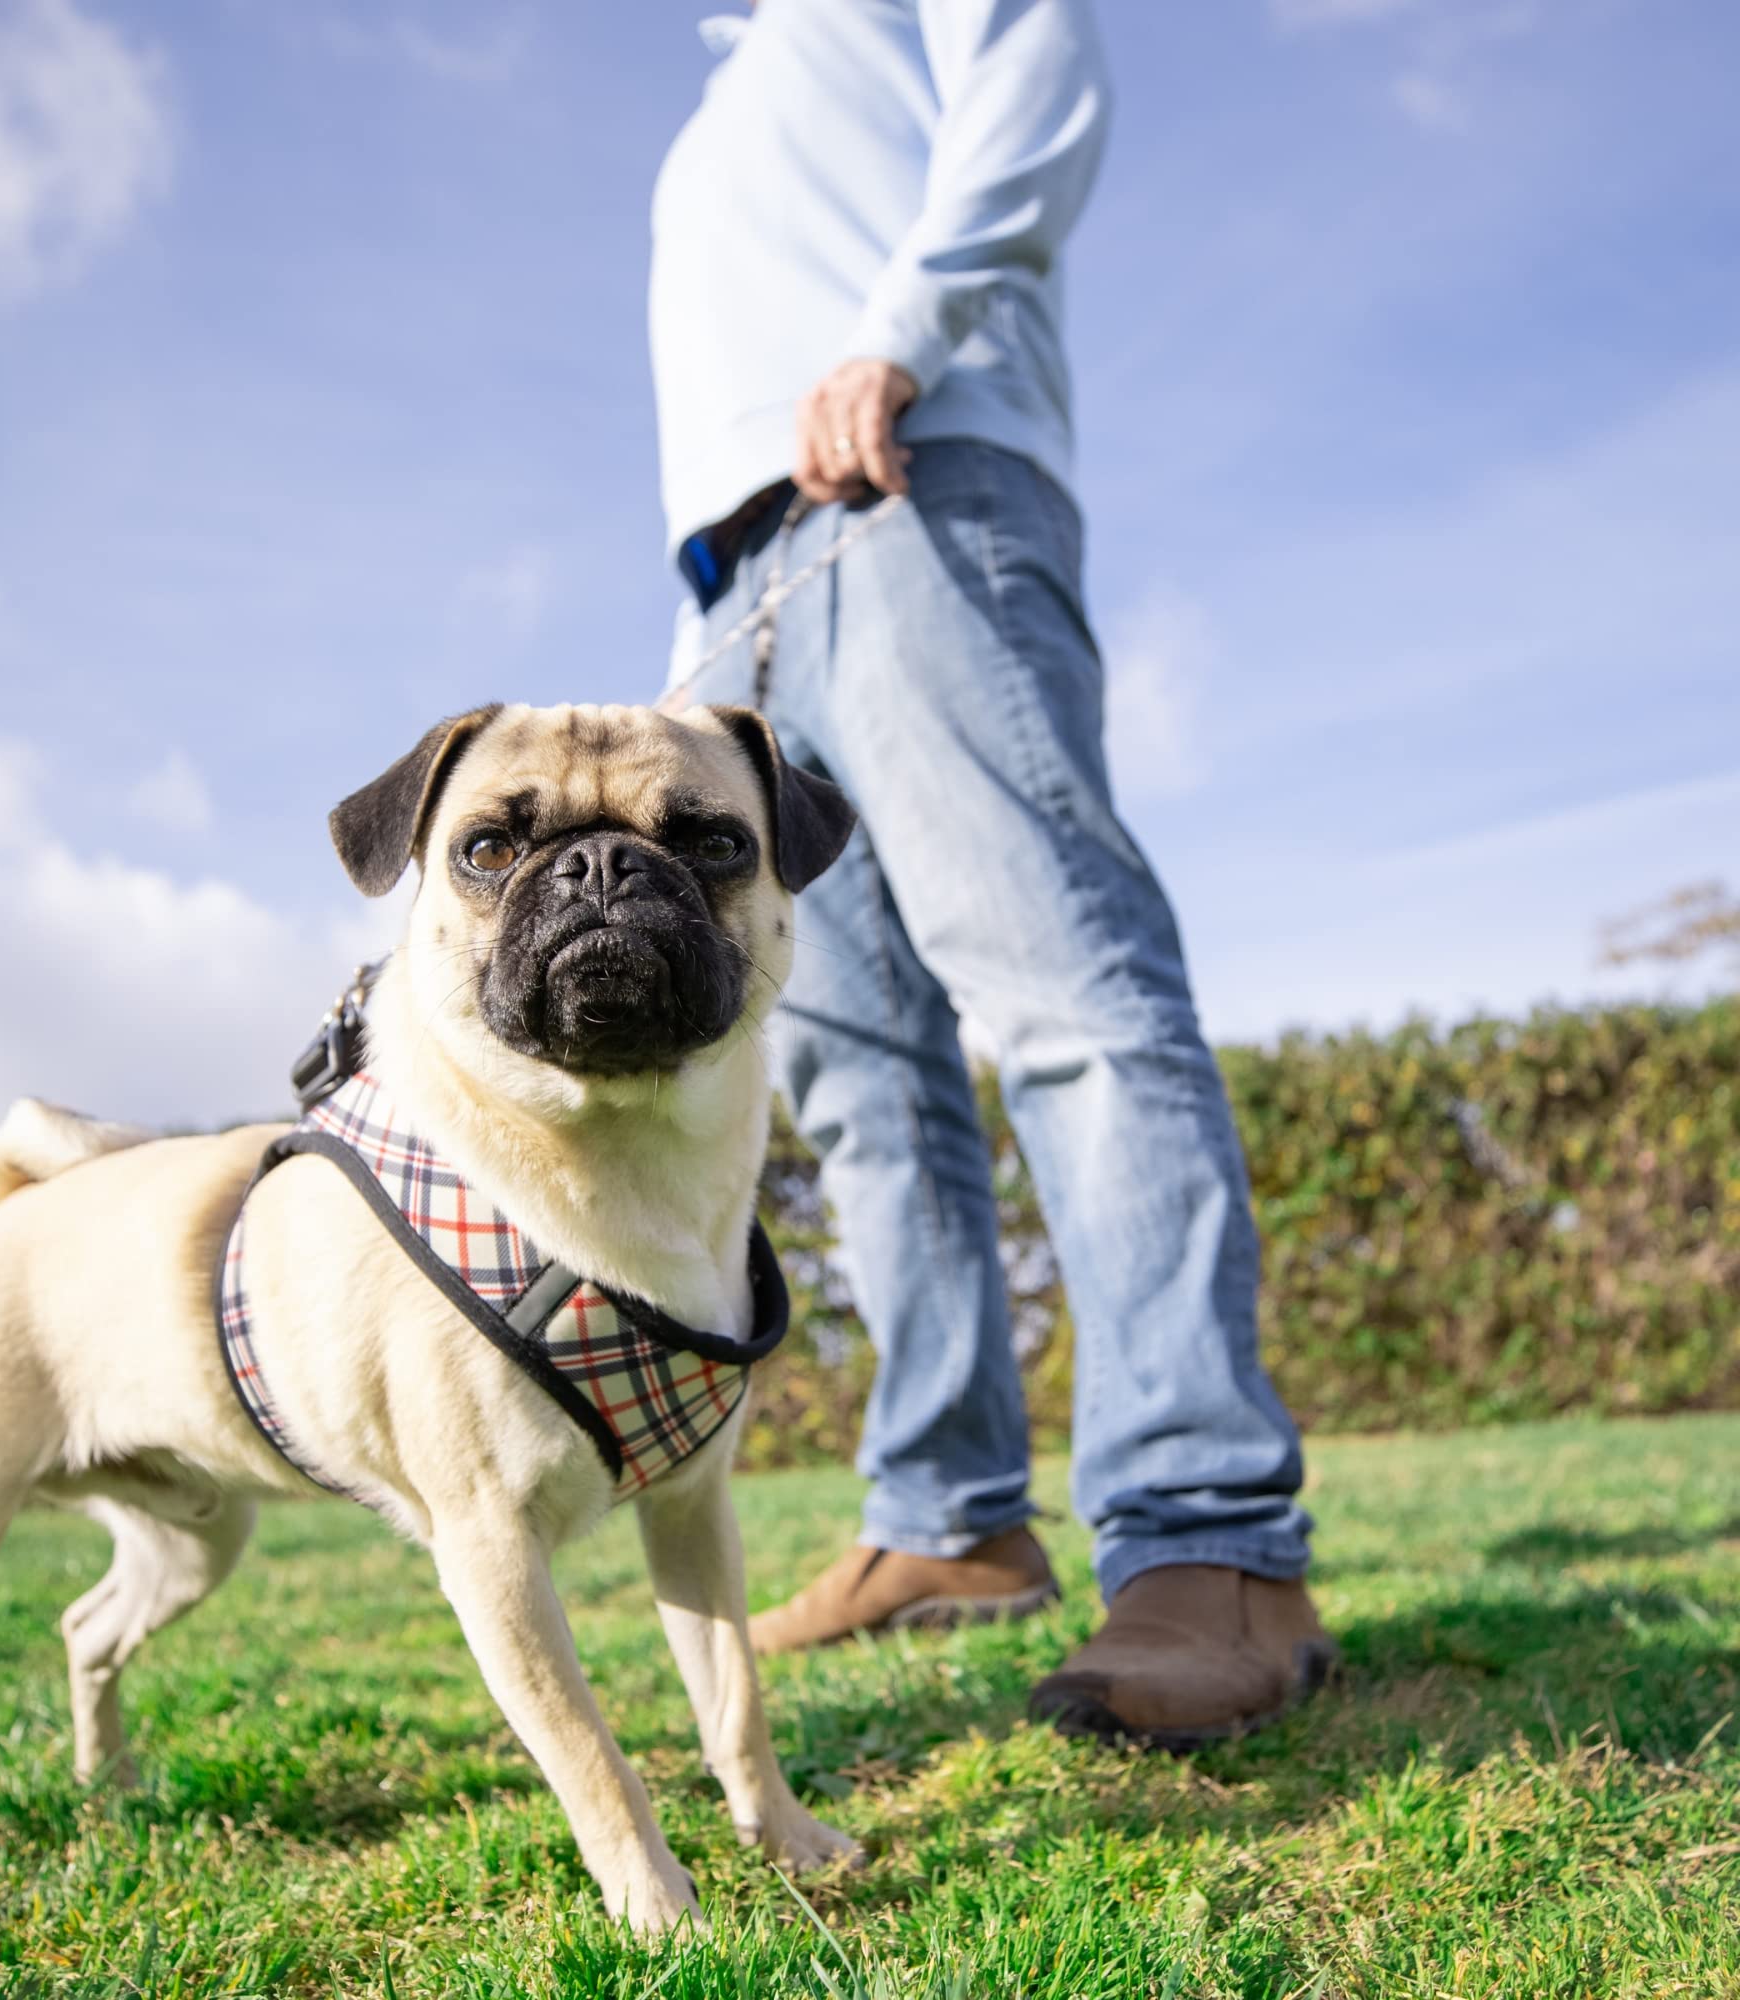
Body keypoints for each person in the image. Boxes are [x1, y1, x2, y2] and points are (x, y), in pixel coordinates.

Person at [648, 0, 1337, 1746]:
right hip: (744, 585)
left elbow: (1041, 69)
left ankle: (1213, 1542)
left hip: (913, 482)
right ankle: (948, 1520)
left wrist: (900, 331)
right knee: (857, 1078)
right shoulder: (719, 102)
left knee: (1065, 997)